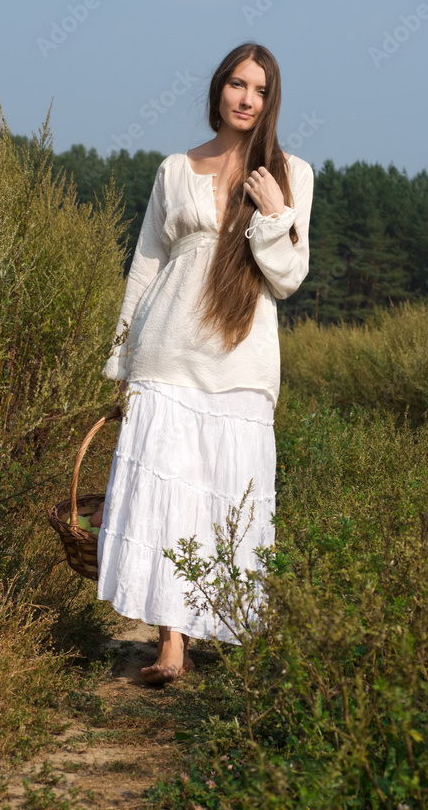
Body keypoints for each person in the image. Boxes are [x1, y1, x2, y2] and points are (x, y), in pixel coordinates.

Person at [93, 42, 314, 685]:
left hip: (240, 367)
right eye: (237, 85)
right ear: (219, 89)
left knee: (231, 498)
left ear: (270, 101)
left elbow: (289, 278)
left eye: (260, 90)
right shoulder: (173, 170)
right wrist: (121, 360)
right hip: (164, 356)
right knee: (166, 500)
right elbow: (147, 266)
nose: (247, 99)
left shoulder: (291, 173)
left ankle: (230, 629)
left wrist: (274, 213)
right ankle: (170, 647)